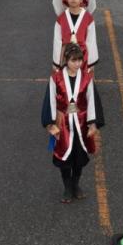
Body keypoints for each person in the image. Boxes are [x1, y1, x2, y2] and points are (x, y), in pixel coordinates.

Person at [42, 42, 103, 203]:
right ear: (66, 60)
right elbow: (50, 101)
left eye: (79, 60)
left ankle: (76, 184)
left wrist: (93, 123)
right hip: (63, 123)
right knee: (64, 158)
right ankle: (67, 187)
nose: (77, 64)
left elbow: (92, 100)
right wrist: (51, 124)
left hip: (81, 122)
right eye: (73, 60)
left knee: (79, 157)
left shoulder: (86, 78)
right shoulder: (56, 78)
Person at [53, 0, 98, 70]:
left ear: (81, 0)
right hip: (66, 55)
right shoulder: (61, 19)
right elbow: (57, 41)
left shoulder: (88, 18)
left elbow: (91, 40)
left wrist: (91, 63)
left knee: (83, 81)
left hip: (82, 55)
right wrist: (56, 62)